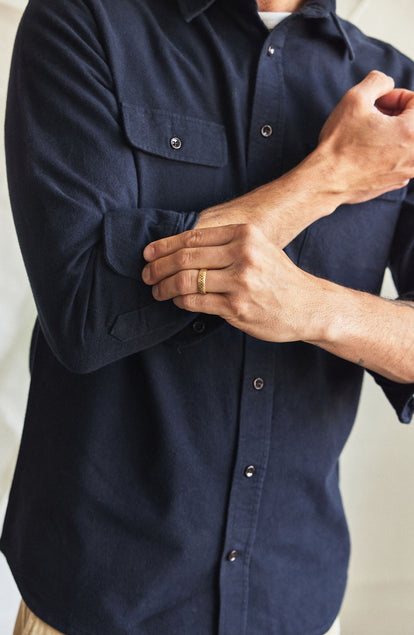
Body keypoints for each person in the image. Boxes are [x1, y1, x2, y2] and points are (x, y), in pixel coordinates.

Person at [2, 0, 414, 634]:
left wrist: (315, 308)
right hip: (95, 605)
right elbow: (84, 314)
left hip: (294, 605)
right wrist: (329, 177)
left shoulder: (398, 97)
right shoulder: (82, 21)